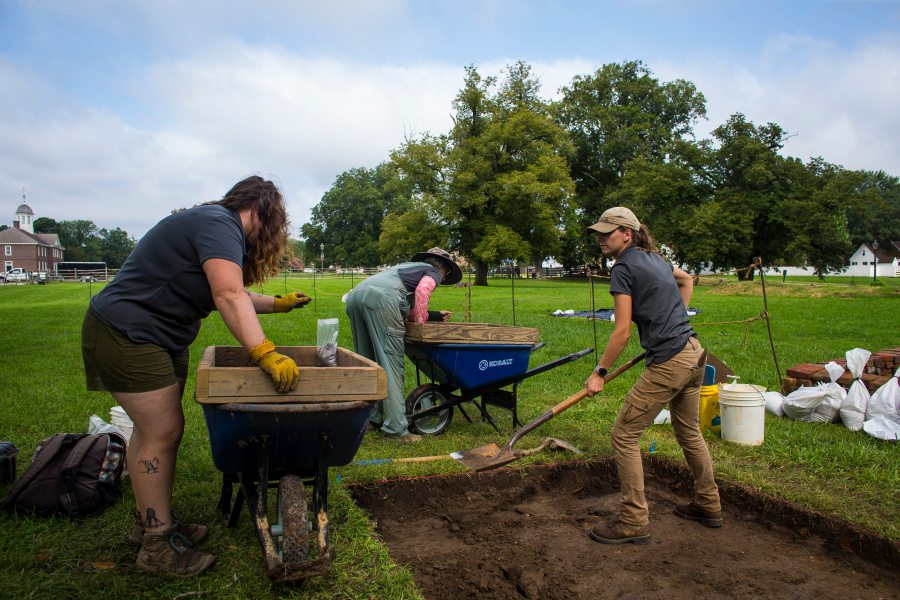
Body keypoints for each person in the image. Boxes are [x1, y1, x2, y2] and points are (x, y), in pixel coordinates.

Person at [81, 175, 311, 576]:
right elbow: (228, 295)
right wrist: (264, 353)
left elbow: (233, 289)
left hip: (154, 336)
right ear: (260, 210)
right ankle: (157, 546)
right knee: (162, 432)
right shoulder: (220, 224)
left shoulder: (212, 225)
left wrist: (279, 303)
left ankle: (153, 522)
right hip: (128, 333)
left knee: (153, 432)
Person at [583, 207, 721, 545]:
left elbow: (621, 332)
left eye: (608, 232)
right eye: (599, 232)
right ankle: (709, 504)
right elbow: (686, 279)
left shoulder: (624, 268)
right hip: (693, 352)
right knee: (689, 432)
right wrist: (673, 322)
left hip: (671, 362)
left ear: (627, 234)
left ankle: (633, 521)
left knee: (624, 436)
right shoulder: (655, 258)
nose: (601, 238)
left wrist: (599, 373)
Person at [345, 247, 461, 442]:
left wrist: (433, 315)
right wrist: (422, 326)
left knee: (368, 362)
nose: (443, 278)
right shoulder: (433, 271)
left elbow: (403, 303)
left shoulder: (406, 268)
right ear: (443, 268)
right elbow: (422, 293)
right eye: (446, 273)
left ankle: (371, 419)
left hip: (356, 296)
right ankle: (396, 429)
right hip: (381, 300)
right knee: (390, 363)